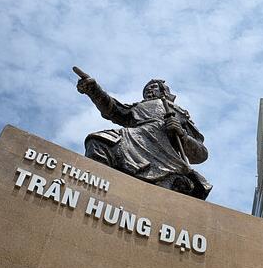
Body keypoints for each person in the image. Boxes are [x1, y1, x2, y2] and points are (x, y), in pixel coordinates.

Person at [76, 74, 212, 200]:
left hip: (165, 155)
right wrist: (94, 90)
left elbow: (201, 154)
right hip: (132, 139)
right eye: (146, 89)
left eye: (153, 87)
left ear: (164, 91)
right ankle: (95, 191)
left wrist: (182, 135)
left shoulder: (179, 113)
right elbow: (114, 109)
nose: (149, 90)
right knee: (98, 142)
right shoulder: (138, 107)